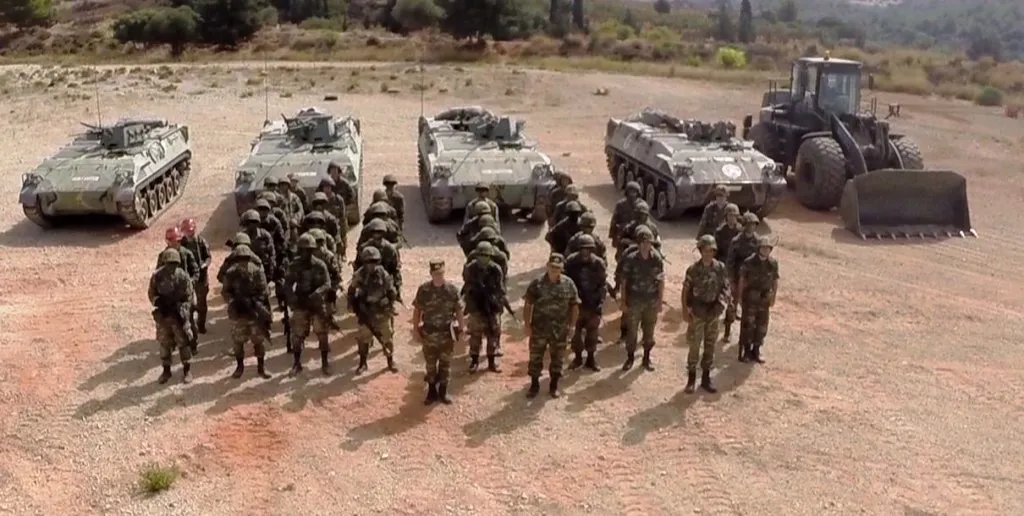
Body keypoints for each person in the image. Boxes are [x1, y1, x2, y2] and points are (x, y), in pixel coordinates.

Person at [522, 253, 580, 398]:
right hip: (539, 329)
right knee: (535, 357)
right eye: (552, 266)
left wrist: (572, 326)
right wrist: (527, 325)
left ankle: (553, 386)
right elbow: (528, 304)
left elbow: (574, 306)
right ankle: (534, 385)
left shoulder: (569, 284)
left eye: (558, 267)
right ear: (547, 266)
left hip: (560, 330)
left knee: (558, 359)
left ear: (562, 268)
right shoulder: (537, 283)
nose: (554, 270)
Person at [682, 235, 731, 394]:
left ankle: (705, 378)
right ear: (700, 251)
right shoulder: (693, 269)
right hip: (698, 312)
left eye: (711, 250)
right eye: (705, 250)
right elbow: (686, 291)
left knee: (710, 345)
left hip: (713, 312)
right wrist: (686, 310)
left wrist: (721, 304)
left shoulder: (720, 268)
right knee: (695, 345)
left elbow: (726, 288)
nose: (708, 253)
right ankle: (691, 379)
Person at [412, 259, 464, 405]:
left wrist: (461, 329)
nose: (438, 277)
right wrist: (415, 329)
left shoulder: (452, 290)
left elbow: (459, 311)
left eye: (440, 274)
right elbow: (417, 310)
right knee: (430, 365)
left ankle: (443, 391)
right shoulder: (424, 290)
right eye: (436, 274)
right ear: (431, 273)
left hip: (447, 335)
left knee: (445, 364)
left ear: (444, 272)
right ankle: (431, 392)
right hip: (429, 335)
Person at [221, 244, 273, 380]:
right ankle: (240, 367)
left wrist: (255, 302)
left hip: (254, 311)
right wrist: (234, 301)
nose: (243, 262)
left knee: (259, 341)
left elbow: (264, 291)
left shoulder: (257, 271)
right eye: (240, 258)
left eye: (245, 258)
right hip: (238, 313)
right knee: (238, 342)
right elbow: (225, 292)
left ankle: (261, 368)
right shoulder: (231, 273)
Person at [283, 234, 332, 376]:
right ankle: (297, 363)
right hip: (301, 302)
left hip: (316, 303)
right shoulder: (295, 265)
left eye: (309, 250)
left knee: (322, 333)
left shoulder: (320, 265)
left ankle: (325, 363)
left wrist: (317, 293)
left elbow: (327, 283)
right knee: (297, 334)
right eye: (304, 250)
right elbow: (287, 284)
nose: (306, 253)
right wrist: (292, 299)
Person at [618, 227, 665, 371]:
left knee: (649, 331)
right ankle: (630, 358)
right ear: (638, 244)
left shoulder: (656, 259)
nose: (646, 246)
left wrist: (660, 301)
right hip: (634, 300)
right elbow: (624, 282)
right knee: (632, 331)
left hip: (651, 301)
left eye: (648, 243)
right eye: (643, 243)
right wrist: (623, 301)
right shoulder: (631, 259)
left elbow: (661, 281)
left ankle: (646, 358)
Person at [348, 246, 399, 374]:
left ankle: (390, 361)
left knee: (387, 335)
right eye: (369, 262)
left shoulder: (383, 274)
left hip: (381, 310)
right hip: (366, 311)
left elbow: (392, 291)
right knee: (363, 338)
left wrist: (388, 301)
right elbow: (351, 290)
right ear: (364, 262)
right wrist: (354, 305)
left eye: (374, 261)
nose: (372, 265)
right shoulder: (359, 274)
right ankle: (363, 363)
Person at [148, 249, 195, 384]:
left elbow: (189, 296)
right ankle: (166, 371)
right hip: (164, 316)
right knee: (164, 344)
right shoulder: (157, 276)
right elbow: (151, 293)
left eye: (174, 264)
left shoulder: (183, 276)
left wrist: (182, 309)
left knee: (184, 343)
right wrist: (159, 302)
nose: (171, 267)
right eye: (169, 263)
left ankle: (187, 370)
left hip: (179, 316)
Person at [461, 242, 508, 372]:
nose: (483, 258)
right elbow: (467, 285)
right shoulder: (470, 268)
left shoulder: (495, 269)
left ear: (490, 256)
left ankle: (491, 362)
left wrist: (497, 303)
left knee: (493, 333)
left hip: (490, 306)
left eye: (486, 255)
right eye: (481, 255)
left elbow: (500, 289)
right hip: (476, 305)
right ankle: (474, 361)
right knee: (475, 334)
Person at [564, 235, 606, 371]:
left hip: (593, 305)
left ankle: (590, 359)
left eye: (588, 249)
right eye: (583, 249)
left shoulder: (598, 263)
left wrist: (600, 302)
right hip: (576, 305)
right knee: (576, 334)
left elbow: (602, 285)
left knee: (592, 334)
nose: (585, 252)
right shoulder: (571, 262)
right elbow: (565, 282)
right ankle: (577, 358)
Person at [737, 236, 779, 364]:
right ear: (759, 248)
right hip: (750, 299)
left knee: (762, 326)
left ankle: (756, 349)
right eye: (763, 248)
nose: (765, 250)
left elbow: (775, 280)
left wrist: (773, 297)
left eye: (768, 248)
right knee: (748, 326)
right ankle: (746, 350)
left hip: (764, 299)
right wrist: (739, 297)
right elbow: (742, 279)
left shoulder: (772, 263)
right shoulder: (749, 262)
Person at [179, 218, 212, 333]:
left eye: (191, 231)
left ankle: (201, 325)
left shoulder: (201, 241)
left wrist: (204, 265)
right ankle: (190, 326)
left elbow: (208, 257)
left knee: (202, 304)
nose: (190, 233)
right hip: (187, 278)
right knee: (188, 304)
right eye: (187, 231)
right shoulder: (180, 244)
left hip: (201, 278)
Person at [609, 181, 643, 249]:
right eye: (630, 192)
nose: (632, 194)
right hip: (623, 232)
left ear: (638, 193)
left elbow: (645, 220)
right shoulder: (620, 205)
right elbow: (614, 220)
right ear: (627, 193)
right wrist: (613, 235)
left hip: (637, 233)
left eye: (634, 192)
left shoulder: (642, 205)